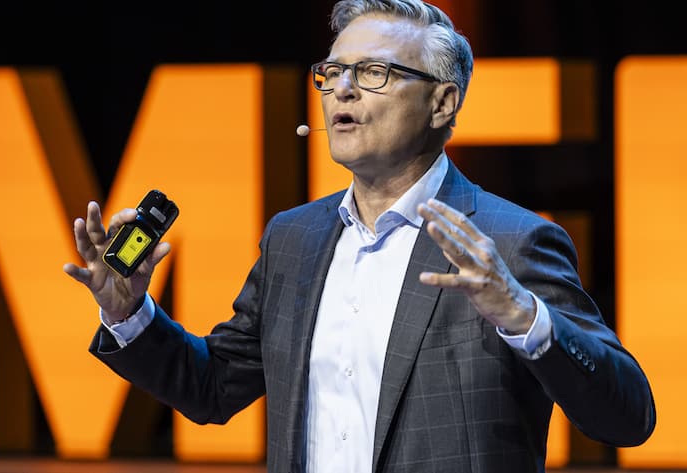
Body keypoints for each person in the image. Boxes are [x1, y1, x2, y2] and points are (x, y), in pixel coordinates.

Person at [63, 1, 656, 471]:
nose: (341, 89)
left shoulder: (509, 240)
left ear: (442, 103)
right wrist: (130, 313)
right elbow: (213, 389)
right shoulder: (293, 239)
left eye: (374, 73)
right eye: (333, 72)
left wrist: (525, 317)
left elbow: (628, 418)